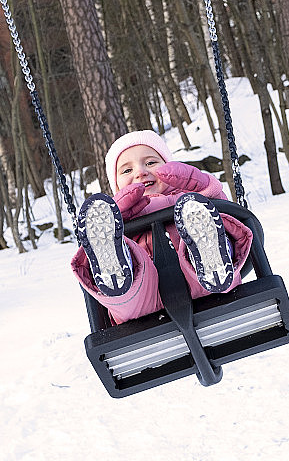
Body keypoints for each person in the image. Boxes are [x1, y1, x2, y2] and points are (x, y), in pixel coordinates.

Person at [71, 130, 253, 324]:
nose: (140, 172)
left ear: (170, 167)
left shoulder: (189, 197)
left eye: (150, 163)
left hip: (202, 283)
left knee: (206, 218)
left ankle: (212, 257)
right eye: (127, 170)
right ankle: (116, 271)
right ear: (116, 185)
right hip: (145, 298)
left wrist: (205, 187)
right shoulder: (116, 220)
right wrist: (117, 221)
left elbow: (225, 209)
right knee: (132, 280)